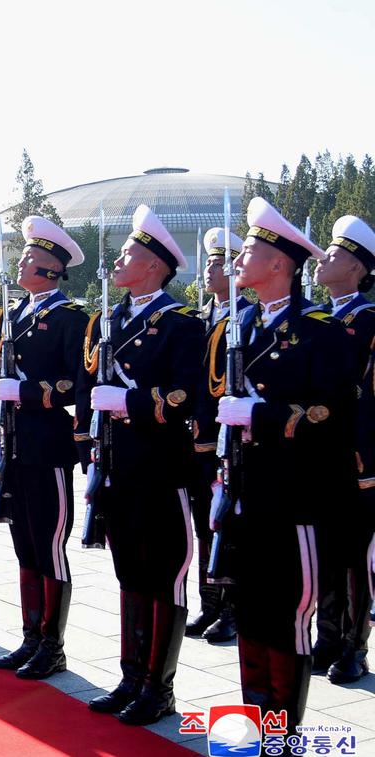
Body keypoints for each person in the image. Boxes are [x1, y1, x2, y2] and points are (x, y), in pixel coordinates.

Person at [209, 198, 354, 733]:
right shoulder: (240, 323)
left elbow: (333, 414)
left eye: (249, 250)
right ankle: (253, 725)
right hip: (245, 489)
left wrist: (263, 415)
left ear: (280, 264)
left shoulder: (321, 329)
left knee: (287, 616)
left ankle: (282, 734)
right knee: (250, 611)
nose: (237, 260)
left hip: (297, 496)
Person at [84, 206, 201, 725]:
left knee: (161, 575)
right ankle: (132, 675)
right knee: (129, 573)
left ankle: (159, 685)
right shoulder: (112, 319)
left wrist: (125, 404)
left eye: (129, 254)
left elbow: (183, 395)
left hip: (159, 466)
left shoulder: (179, 324)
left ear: (154, 265)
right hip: (118, 465)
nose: (118, 261)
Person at [0, 216, 90, 679]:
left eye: (30, 258)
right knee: (23, 544)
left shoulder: (72, 318)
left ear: (51, 269)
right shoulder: (10, 314)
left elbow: (77, 384)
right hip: (15, 443)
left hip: (48, 444)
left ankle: (52, 644)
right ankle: (30, 636)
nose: (21, 262)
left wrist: (26, 393)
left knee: (48, 544)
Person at [310, 214, 375, 684]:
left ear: (356, 269)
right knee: (325, 552)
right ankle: (327, 636)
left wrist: (365, 454)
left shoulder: (368, 321)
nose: (321, 261)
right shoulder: (318, 320)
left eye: (333, 255)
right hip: (318, 457)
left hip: (354, 458)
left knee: (354, 557)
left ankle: (355, 646)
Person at [186, 228, 249, 644]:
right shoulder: (196, 319)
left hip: (228, 440)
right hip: (194, 441)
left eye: (217, 262)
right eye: (207, 261)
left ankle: (233, 609)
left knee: (228, 524)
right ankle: (209, 603)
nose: (209, 269)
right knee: (201, 525)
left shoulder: (246, 318)